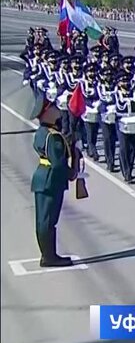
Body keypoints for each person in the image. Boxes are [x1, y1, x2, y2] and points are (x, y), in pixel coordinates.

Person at [28, 88, 75, 267]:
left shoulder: (43, 132)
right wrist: (71, 173)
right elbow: (58, 164)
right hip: (51, 180)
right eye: (53, 107)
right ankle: (49, 257)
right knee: (48, 221)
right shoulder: (52, 136)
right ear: (46, 112)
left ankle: (47, 255)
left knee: (44, 220)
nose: (57, 110)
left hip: (43, 177)